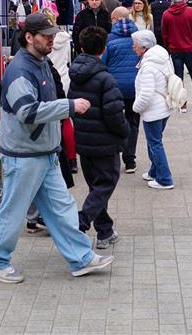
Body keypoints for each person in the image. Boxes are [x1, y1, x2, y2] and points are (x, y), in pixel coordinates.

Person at [0, 13, 114, 283]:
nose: (52, 40)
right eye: (46, 36)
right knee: (14, 210)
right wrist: (68, 106)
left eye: (52, 35)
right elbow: (27, 112)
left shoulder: (38, 62)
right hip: (25, 155)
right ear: (29, 37)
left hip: (43, 152)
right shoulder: (20, 70)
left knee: (62, 208)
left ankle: (81, 258)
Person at [68, 27, 129, 250]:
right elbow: (114, 114)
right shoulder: (105, 78)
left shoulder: (75, 75)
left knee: (97, 186)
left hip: (84, 141)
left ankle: (105, 231)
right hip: (105, 143)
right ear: (104, 49)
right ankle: (81, 220)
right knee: (105, 184)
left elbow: (71, 106)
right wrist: (125, 132)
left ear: (82, 47)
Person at [132, 30, 175, 190]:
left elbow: (146, 93)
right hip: (164, 106)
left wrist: (136, 108)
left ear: (144, 47)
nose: (133, 48)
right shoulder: (162, 57)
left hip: (154, 110)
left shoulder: (148, 66)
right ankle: (154, 171)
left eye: (135, 45)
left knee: (155, 143)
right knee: (155, 141)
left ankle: (165, 179)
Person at [103, 7, 141, 174]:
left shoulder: (109, 39)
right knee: (133, 122)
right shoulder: (139, 38)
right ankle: (130, 159)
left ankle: (115, 154)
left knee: (114, 121)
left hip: (115, 87)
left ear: (115, 19)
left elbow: (103, 63)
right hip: (136, 86)